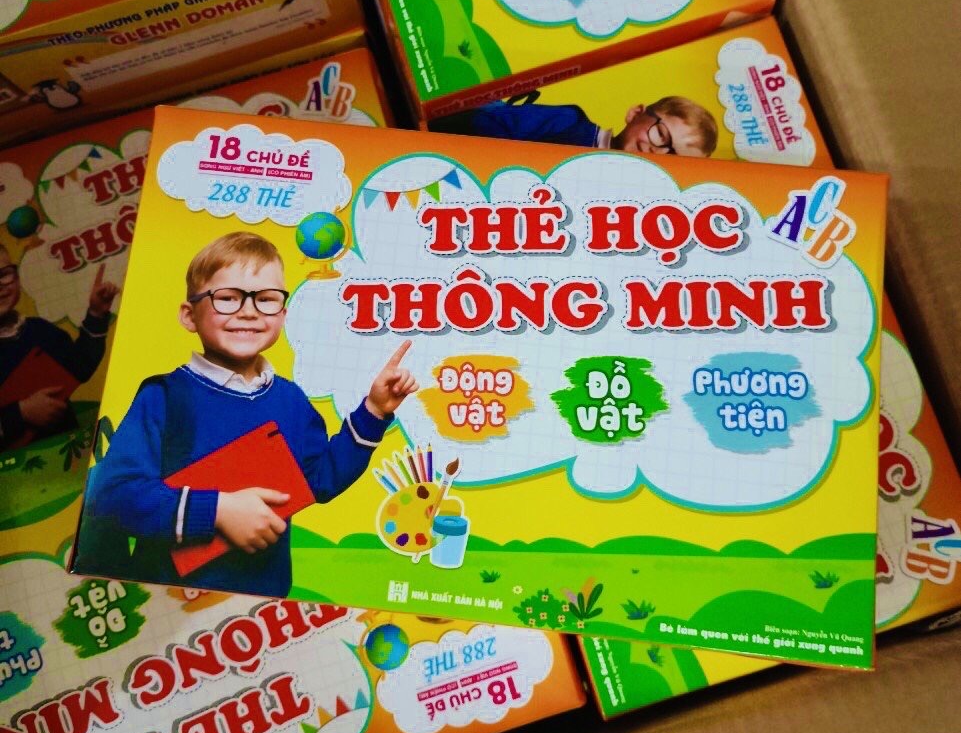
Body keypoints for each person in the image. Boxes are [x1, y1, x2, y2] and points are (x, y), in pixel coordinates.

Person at [76, 231, 416, 596]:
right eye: (227, 298)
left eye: (266, 299)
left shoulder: (291, 399)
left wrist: (373, 411)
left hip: (263, 595)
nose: (249, 311)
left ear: (283, 315)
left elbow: (320, 480)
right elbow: (113, 495)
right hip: (169, 595)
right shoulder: (165, 397)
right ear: (189, 315)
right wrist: (217, 511)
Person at [0, 248, 119, 450]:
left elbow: (79, 366)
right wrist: (21, 413)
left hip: (66, 451)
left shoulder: (39, 329)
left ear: (16, 277)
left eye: (4, 275)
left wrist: (96, 314)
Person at [432, 93, 720, 157]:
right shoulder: (570, 122)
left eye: (674, 158)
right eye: (660, 135)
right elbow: (484, 123)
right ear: (635, 114)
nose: (659, 152)